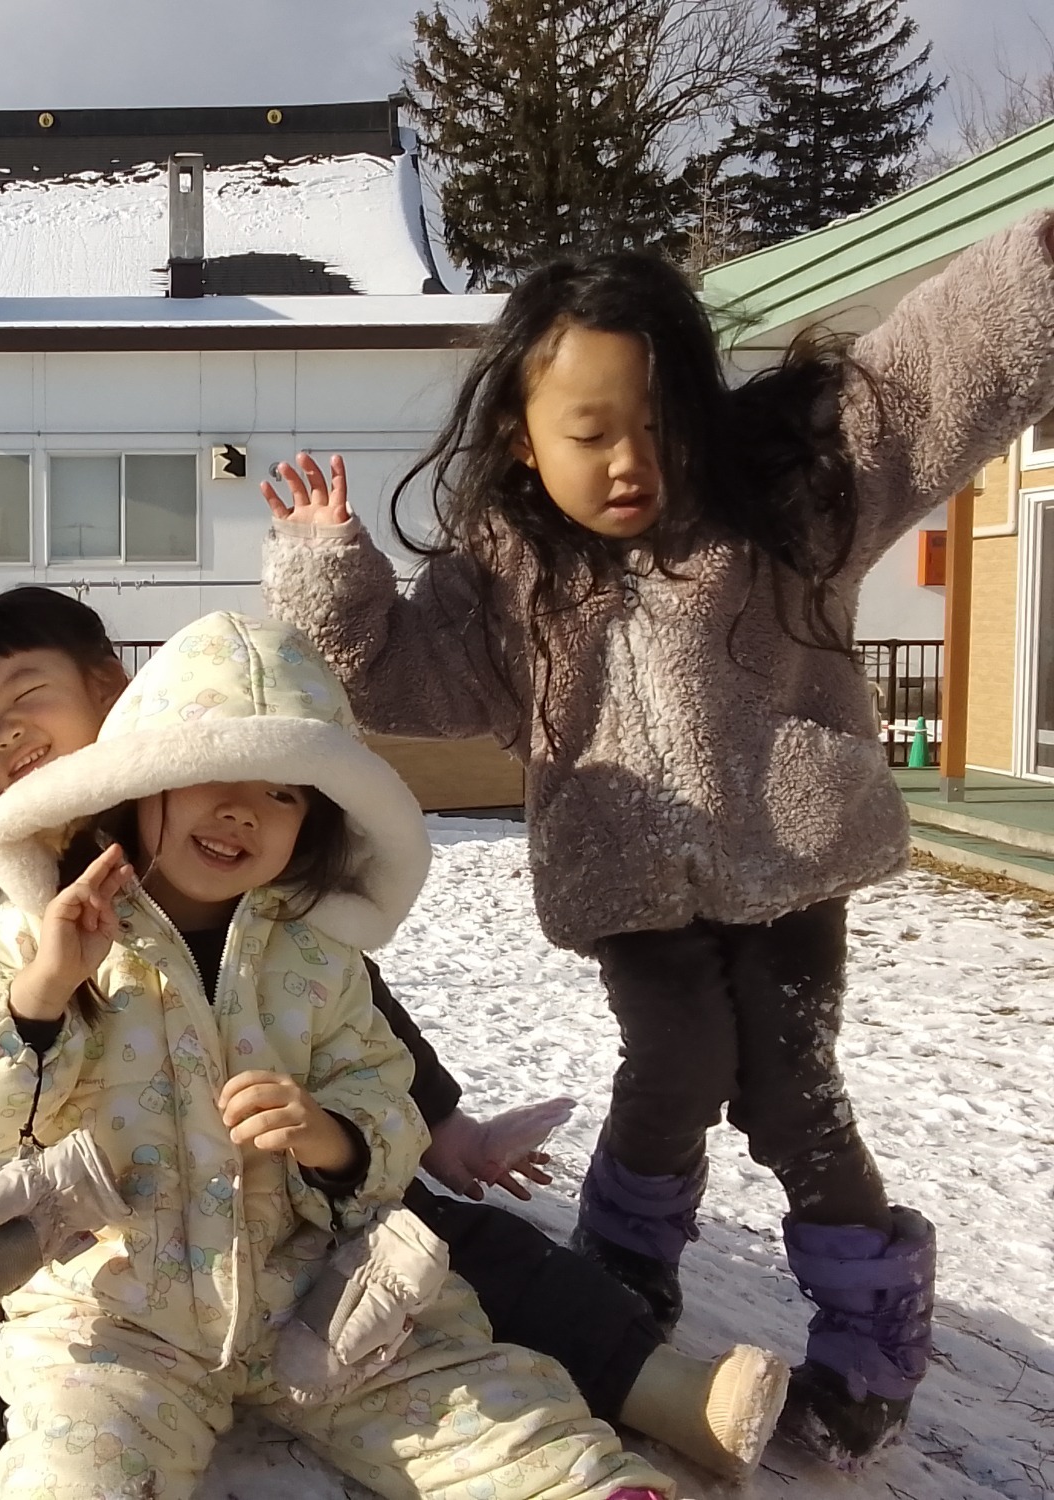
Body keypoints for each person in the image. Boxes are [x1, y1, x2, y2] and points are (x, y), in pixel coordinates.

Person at [261, 209, 1054, 1467]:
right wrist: (326, 571)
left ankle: (869, 1326)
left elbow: (923, 379)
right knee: (674, 1061)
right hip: (627, 869)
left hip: (789, 857)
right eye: (589, 433)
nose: (629, 460)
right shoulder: (511, 571)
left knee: (790, 1091)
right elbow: (396, 680)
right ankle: (627, 1271)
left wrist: (1036, 267)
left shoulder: (783, 510)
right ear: (523, 441)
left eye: (656, 424)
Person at [0, 589, 780, 1500]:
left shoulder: (309, 946)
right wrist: (26, 979)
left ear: (112, 707)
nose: (243, 812)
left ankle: (600, 1461)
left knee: (454, 1364)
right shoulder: (31, 902)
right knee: (40, 1410)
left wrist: (344, 1137)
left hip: (304, 1280)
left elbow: (375, 1066)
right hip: (104, 1286)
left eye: (279, 791)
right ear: (148, 777)